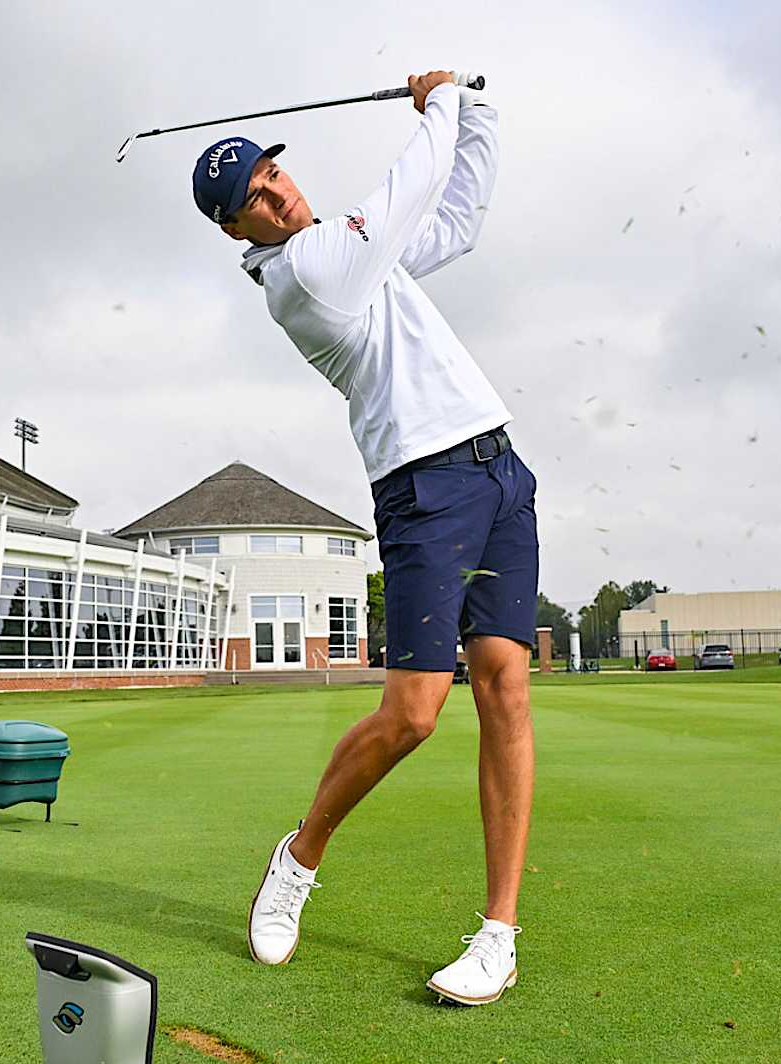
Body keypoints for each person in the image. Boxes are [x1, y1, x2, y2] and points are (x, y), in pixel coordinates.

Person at [192, 70, 537, 1006]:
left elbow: (453, 220)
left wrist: (479, 113)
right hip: (424, 488)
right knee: (416, 714)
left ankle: (498, 934)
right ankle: (300, 856)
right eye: (253, 198)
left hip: (498, 469)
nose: (275, 192)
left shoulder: (350, 254)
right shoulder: (304, 275)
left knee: (506, 687)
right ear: (236, 230)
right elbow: (404, 196)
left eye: (273, 174)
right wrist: (438, 107)